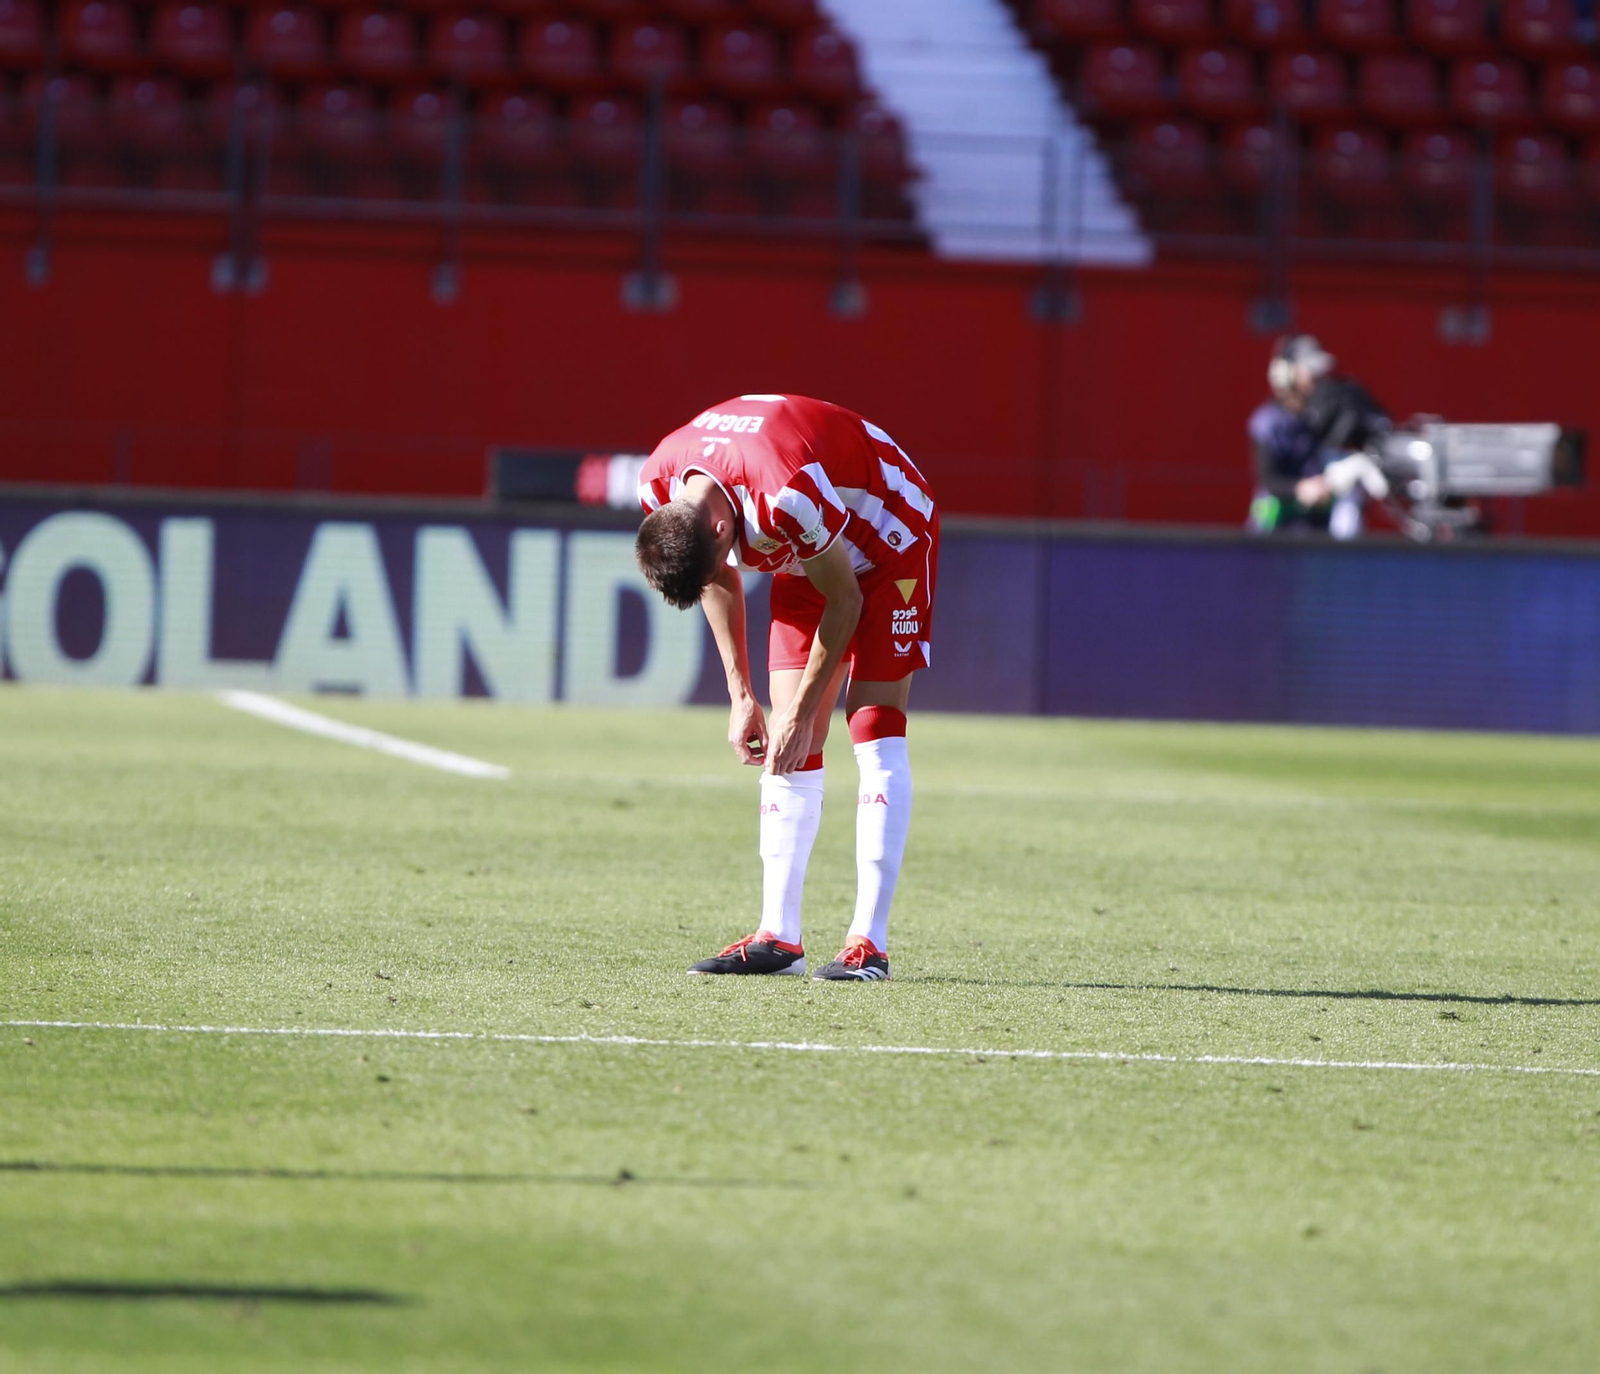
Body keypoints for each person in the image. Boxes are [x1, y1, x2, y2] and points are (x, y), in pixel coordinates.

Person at [634, 394, 938, 983]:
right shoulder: (660, 485)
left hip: (887, 538)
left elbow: (845, 598)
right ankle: (780, 935)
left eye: (724, 554)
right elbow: (716, 572)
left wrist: (799, 710)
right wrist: (740, 694)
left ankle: (868, 943)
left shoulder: (783, 497)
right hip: (811, 550)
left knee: (871, 725)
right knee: (787, 744)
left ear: (723, 528)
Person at [1248, 334, 1389, 539]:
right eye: (1310, 373)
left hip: (1315, 536)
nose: (1317, 380)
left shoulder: (1319, 416)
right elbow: (1269, 479)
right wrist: (1301, 489)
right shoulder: (1268, 422)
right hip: (1274, 535)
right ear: (1286, 374)